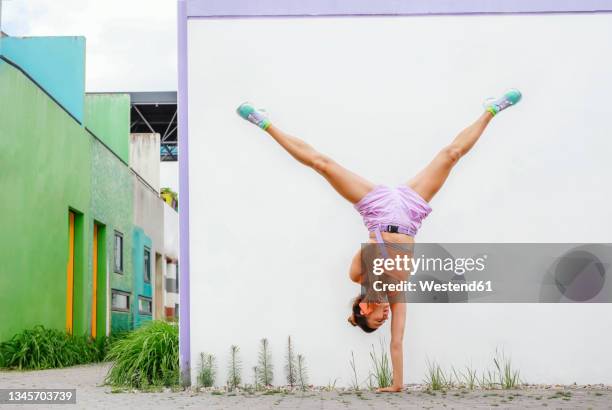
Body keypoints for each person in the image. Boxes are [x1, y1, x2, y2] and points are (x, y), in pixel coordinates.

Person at [236, 90, 522, 392]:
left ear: (363, 310)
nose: (384, 318)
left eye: (376, 321)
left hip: (377, 208)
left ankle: (263, 122)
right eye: (382, 322)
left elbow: (370, 250)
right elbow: (397, 343)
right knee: (451, 155)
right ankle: (492, 109)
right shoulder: (397, 297)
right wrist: (397, 385)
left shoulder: (357, 276)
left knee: (322, 164)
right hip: (411, 213)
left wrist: (374, 287)